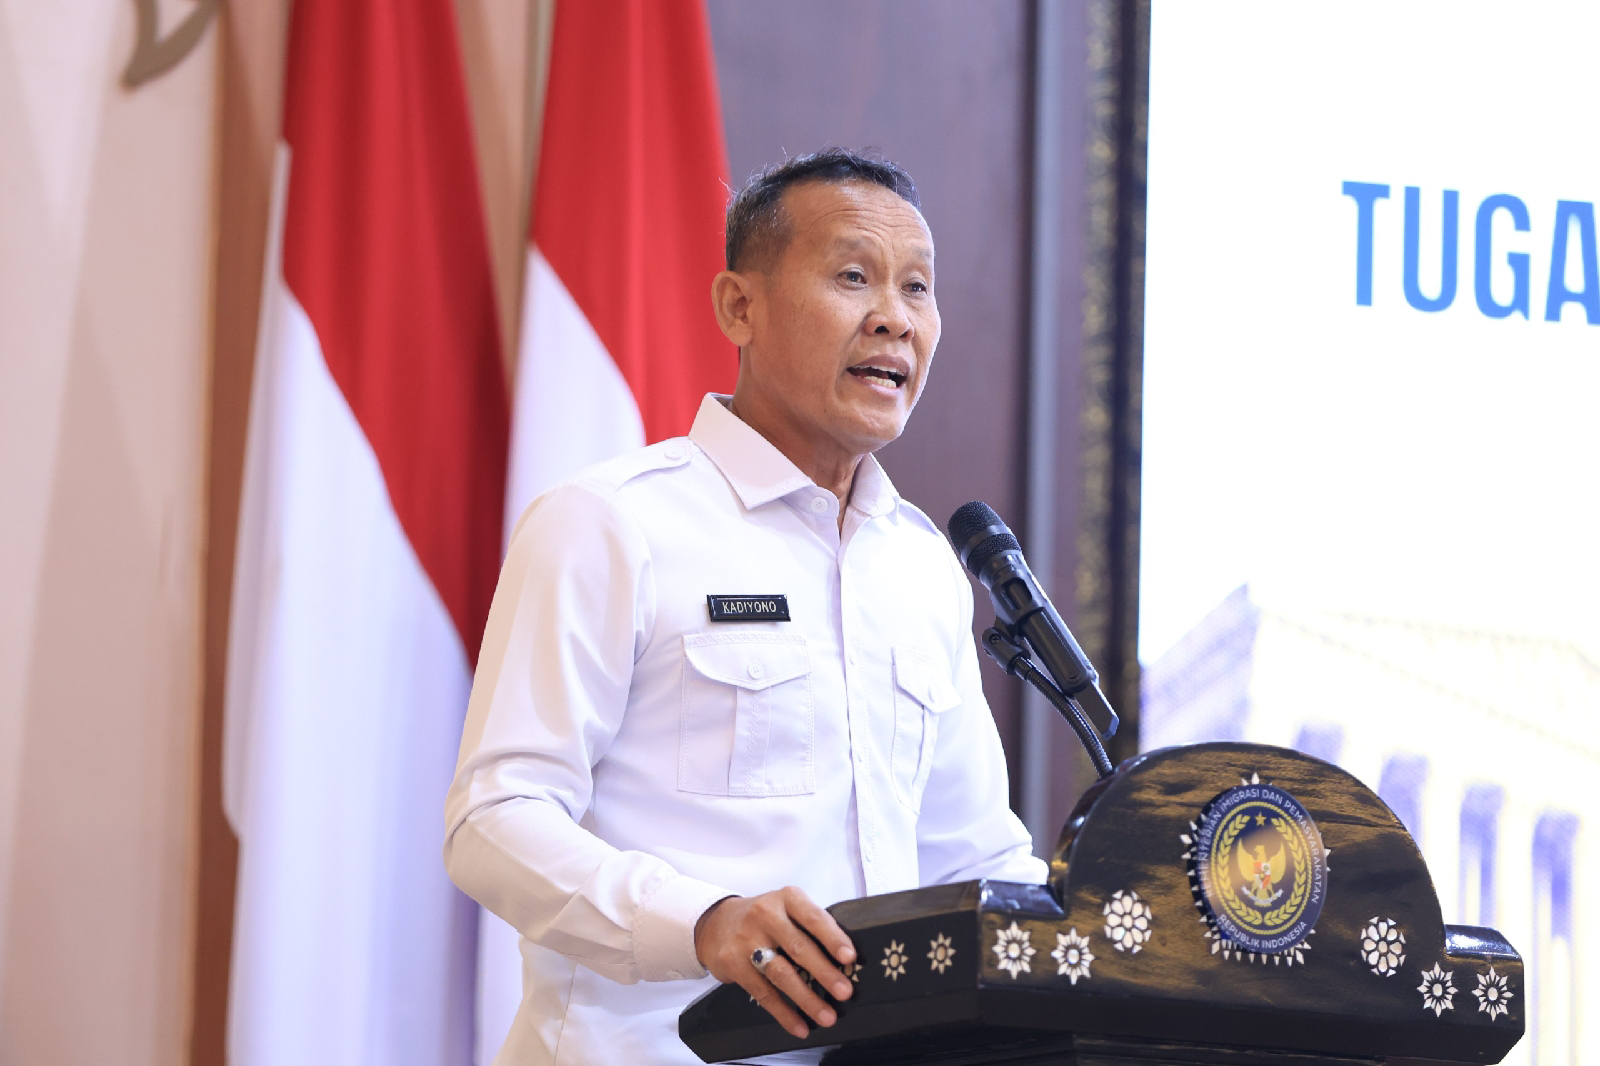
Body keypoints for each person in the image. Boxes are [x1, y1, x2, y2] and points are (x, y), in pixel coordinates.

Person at [444, 149, 1046, 1065]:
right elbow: (493, 820)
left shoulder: (921, 565)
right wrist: (703, 923)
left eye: (917, 287)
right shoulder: (613, 524)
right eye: (853, 277)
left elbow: (974, 861)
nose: (894, 317)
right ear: (739, 307)